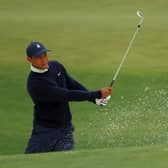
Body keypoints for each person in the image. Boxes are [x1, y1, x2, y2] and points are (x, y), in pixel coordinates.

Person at [25, 41, 112, 154]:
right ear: (30, 59)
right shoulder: (35, 83)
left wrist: (94, 99)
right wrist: (97, 94)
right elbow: (66, 95)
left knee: (64, 163)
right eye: (38, 57)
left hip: (65, 130)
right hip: (44, 132)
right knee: (30, 162)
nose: (44, 60)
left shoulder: (56, 66)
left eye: (45, 55)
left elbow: (72, 84)